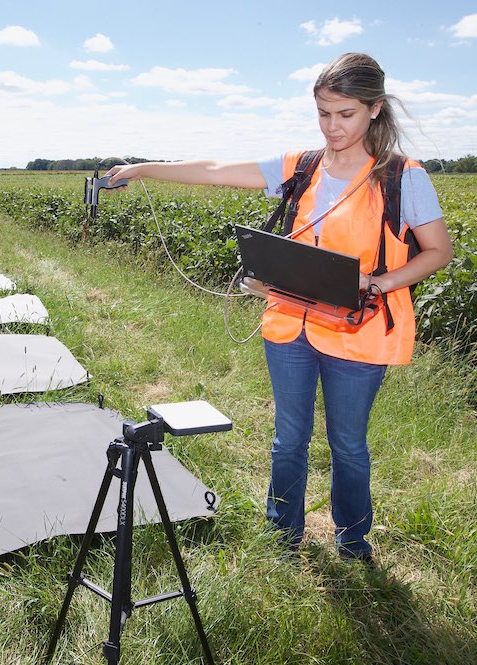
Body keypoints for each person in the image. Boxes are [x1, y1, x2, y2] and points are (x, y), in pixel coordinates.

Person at [104, 52, 453, 563]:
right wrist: (143, 167)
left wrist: (378, 283)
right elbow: (218, 170)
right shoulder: (302, 167)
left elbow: (438, 251)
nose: (333, 127)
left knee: (348, 445)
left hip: (361, 332)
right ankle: (282, 536)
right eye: (323, 114)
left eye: (346, 114)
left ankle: (353, 542)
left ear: (375, 109)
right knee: (288, 438)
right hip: (290, 325)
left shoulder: (403, 177)